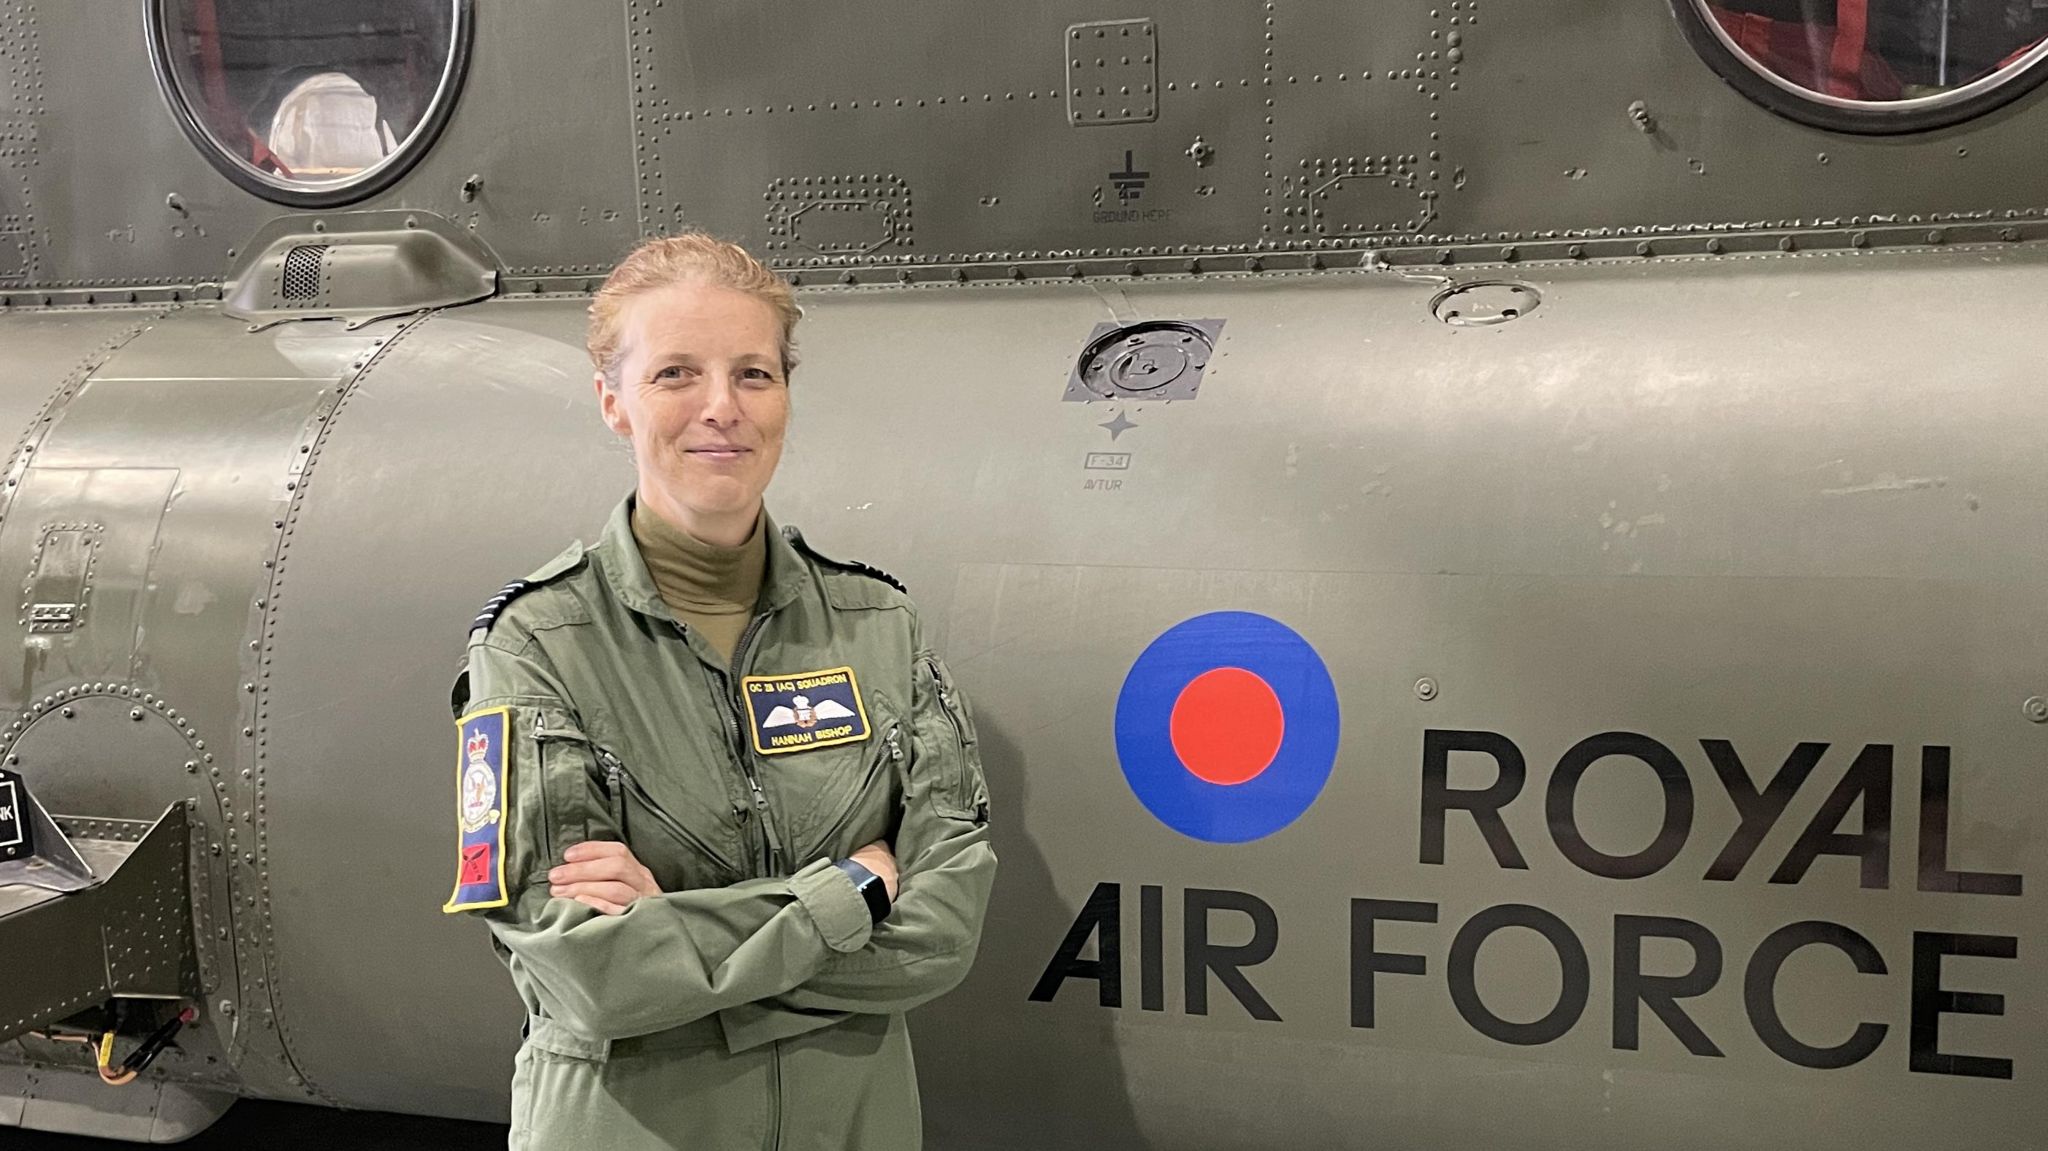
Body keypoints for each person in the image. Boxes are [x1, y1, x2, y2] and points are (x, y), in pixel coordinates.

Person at [441, 233, 997, 1149]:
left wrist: (674, 932)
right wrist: (852, 891)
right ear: (612, 401)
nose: (721, 408)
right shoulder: (537, 643)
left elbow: (941, 933)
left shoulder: (877, 623)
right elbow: (590, 975)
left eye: (753, 374)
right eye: (674, 374)